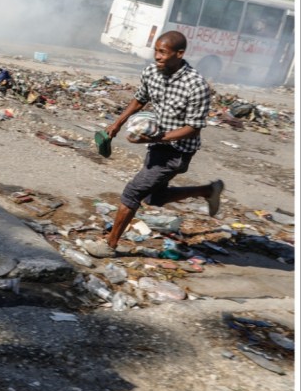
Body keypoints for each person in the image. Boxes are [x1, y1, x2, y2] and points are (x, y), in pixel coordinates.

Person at [86, 30, 224, 258]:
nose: (157, 57)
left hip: (178, 151)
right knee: (154, 197)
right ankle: (209, 190)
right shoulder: (152, 72)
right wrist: (118, 123)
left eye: (163, 52)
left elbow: (194, 127)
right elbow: (141, 98)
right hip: (157, 145)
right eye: (156, 51)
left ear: (179, 54)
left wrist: (157, 138)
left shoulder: (196, 85)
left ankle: (109, 246)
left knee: (132, 192)